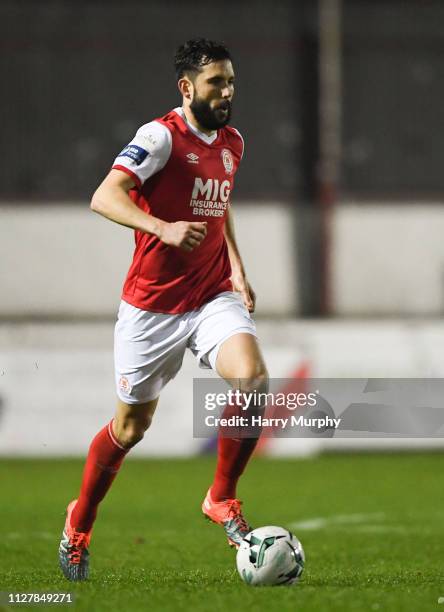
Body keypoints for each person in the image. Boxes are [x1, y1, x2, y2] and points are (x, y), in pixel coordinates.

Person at [58, 38, 268, 582]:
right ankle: (79, 522)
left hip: (211, 295)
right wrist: (162, 228)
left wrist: (237, 268)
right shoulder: (159, 137)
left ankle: (220, 497)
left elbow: (219, 205)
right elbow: (104, 196)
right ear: (187, 87)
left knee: (253, 379)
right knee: (130, 428)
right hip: (150, 308)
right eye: (215, 82)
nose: (226, 92)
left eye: (231, 82)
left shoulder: (232, 142)